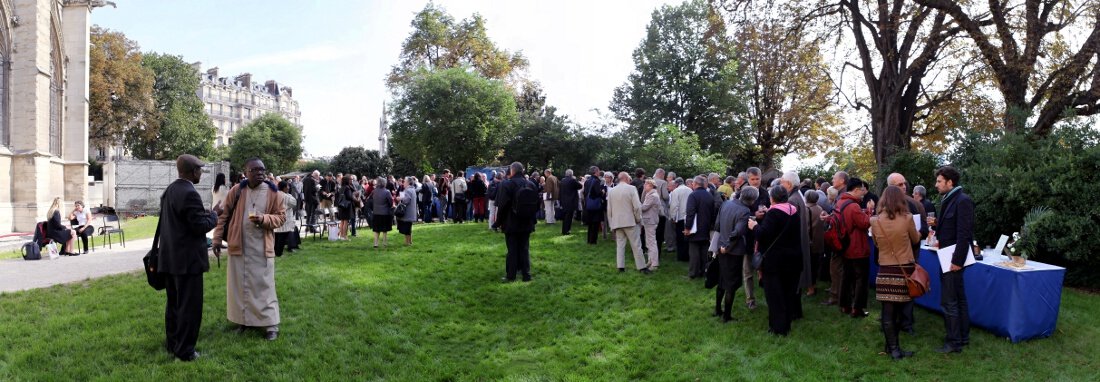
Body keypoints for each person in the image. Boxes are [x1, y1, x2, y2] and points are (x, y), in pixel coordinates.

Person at [212, 158, 287, 341]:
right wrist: (216, 238)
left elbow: (281, 218)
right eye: (255, 170)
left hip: (262, 247)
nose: (260, 173)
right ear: (246, 172)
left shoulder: (273, 193)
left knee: (264, 287)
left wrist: (263, 219)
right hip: (238, 246)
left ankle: (270, 325)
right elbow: (223, 216)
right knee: (240, 287)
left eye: (262, 169)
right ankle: (243, 321)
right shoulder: (236, 191)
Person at [158, 154, 219, 361]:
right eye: (199, 169)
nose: (201, 173)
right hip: (188, 262)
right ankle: (185, 351)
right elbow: (199, 226)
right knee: (189, 308)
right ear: (193, 171)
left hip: (170, 259)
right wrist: (214, 215)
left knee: (174, 305)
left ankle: (173, 344)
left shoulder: (170, 190)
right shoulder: (189, 193)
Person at [871, 185, 921, 360]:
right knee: (901, 310)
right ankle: (895, 350)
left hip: (885, 268)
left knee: (887, 310)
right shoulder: (907, 218)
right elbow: (915, 240)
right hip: (904, 268)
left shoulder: (875, 221)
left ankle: (891, 346)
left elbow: (877, 244)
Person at [748, 185, 804, 336]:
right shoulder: (793, 211)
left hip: (776, 262)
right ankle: (786, 324)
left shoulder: (773, 213)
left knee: (775, 296)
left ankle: (778, 329)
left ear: (772, 198)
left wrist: (754, 226)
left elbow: (763, 235)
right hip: (793, 259)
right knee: (788, 294)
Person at [931, 166, 974, 354]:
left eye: (939, 181)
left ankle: (954, 342)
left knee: (951, 301)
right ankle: (962, 337)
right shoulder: (949, 199)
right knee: (957, 299)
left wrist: (957, 261)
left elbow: (964, 234)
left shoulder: (962, 200)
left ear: (950, 182)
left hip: (953, 259)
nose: (936, 185)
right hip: (948, 256)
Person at [825, 177, 873, 318]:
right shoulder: (853, 206)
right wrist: (870, 211)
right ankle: (857, 309)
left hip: (844, 245)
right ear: (856, 189)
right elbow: (864, 223)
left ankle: (844, 305)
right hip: (857, 247)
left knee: (847, 277)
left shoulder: (840, 202)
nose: (863, 194)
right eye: (862, 191)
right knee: (860, 280)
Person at [887, 173, 928, 334]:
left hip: (910, 253)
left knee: (908, 288)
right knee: (891, 288)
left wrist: (915, 236)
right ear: (890, 187)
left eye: (904, 184)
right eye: (899, 185)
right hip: (890, 254)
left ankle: (906, 323)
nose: (903, 187)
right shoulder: (883, 205)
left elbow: (924, 230)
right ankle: (892, 321)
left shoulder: (915, 204)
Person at [715, 186, 756, 322]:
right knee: (731, 284)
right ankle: (726, 316)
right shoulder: (745, 211)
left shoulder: (726, 203)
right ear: (752, 200)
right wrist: (727, 246)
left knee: (721, 279)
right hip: (732, 251)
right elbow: (737, 232)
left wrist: (721, 243)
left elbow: (718, 224)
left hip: (721, 246)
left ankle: (717, 310)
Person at [493, 162, 537, 282]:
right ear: (522, 171)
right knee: (524, 248)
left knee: (512, 249)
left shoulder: (506, 184)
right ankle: (526, 275)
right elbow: (536, 205)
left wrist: (497, 223)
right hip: (527, 221)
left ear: (512, 171)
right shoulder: (531, 184)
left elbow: (502, 206)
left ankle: (511, 275)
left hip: (511, 222)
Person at [780, 172, 812, 315]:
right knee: (796, 279)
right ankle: (796, 311)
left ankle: (793, 312)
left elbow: (788, 226)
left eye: (782, 182)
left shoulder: (792, 199)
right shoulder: (797, 195)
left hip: (794, 243)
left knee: (793, 280)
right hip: (800, 241)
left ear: (789, 184)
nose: (781, 185)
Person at [607, 172, 650, 274]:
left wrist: (611, 224)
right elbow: (637, 206)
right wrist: (638, 219)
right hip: (630, 221)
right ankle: (642, 267)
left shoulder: (612, 191)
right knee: (636, 245)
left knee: (620, 245)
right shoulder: (631, 189)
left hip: (617, 222)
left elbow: (609, 209)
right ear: (626, 178)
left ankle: (620, 267)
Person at [822, 171, 849, 306]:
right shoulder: (842, 195)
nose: (832, 180)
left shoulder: (843, 196)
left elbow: (841, 217)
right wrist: (829, 216)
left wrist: (830, 218)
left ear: (842, 180)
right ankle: (836, 291)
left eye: (834, 178)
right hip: (841, 236)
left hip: (839, 237)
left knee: (835, 266)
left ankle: (835, 295)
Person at [684, 176, 716, 279]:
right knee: (704, 251)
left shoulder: (693, 195)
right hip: (706, 227)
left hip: (695, 228)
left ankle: (693, 273)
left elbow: (690, 212)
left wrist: (687, 227)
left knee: (694, 251)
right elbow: (713, 213)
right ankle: (703, 271)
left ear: (695, 184)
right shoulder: (709, 195)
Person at [805, 191, 826, 296]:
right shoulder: (820, 209)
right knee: (815, 265)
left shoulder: (806, 209)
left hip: (809, 242)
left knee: (809, 266)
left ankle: (810, 288)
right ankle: (814, 285)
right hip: (819, 241)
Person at [669, 177, 692, 262]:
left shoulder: (676, 191)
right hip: (689, 217)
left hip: (680, 217)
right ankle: (688, 255)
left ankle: (681, 256)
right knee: (688, 237)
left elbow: (674, 206)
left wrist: (673, 217)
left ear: (676, 184)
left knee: (679, 238)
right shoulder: (690, 190)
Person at [640, 179, 661, 271]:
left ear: (651, 186)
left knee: (651, 242)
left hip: (650, 221)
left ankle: (655, 264)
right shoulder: (650, 195)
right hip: (649, 220)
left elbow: (644, 208)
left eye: (646, 184)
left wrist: (634, 204)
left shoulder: (652, 196)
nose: (644, 186)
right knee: (649, 242)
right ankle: (650, 261)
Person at [273, 181, 298, 257]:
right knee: (282, 237)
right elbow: (294, 203)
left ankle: (275, 251)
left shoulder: (275, 194)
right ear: (284, 187)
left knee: (276, 237)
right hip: (285, 218)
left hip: (276, 218)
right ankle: (279, 253)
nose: (289, 187)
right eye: (287, 186)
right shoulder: (286, 196)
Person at [583, 166, 605, 245]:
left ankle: (589, 239)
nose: (599, 172)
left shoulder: (587, 181)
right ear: (595, 172)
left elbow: (585, 192)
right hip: (595, 205)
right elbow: (597, 193)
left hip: (588, 204)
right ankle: (593, 241)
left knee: (590, 223)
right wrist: (602, 192)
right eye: (598, 171)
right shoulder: (596, 181)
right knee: (595, 223)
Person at [371, 177, 394, 248]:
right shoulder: (387, 192)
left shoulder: (374, 191)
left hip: (376, 212)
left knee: (376, 230)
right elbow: (390, 203)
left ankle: (375, 243)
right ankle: (384, 243)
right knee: (384, 230)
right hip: (385, 213)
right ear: (384, 183)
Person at [558, 169, 582, 235]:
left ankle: (564, 230)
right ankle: (567, 230)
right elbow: (580, 186)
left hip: (563, 201)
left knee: (565, 217)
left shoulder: (562, 180)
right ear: (571, 174)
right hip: (571, 201)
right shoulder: (572, 180)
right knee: (569, 217)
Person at [398, 176, 419, 246]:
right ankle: (410, 241)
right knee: (409, 228)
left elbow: (406, 200)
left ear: (408, 182)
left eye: (404, 181)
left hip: (408, 212)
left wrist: (400, 198)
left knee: (407, 228)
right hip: (411, 212)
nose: (403, 183)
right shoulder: (412, 189)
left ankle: (407, 243)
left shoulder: (408, 190)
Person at [336, 175, 354, 240]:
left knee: (342, 221)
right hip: (347, 206)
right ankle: (345, 236)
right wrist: (354, 197)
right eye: (350, 179)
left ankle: (341, 236)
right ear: (347, 180)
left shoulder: (341, 187)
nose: (351, 180)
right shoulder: (347, 188)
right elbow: (349, 197)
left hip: (341, 206)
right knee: (346, 221)